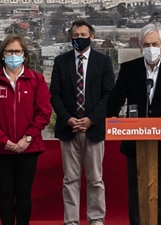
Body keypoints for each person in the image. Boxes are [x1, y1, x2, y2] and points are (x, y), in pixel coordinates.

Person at [106, 21, 161, 225]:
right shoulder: (129, 69)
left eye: (155, 44)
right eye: (146, 45)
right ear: (140, 47)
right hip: (135, 142)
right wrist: (111, 120)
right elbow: (115, 99)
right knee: (137, 192)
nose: (151, 48)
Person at [0, 34, 52, 225]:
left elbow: (43, 112)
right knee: (6, 193)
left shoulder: (36, 79)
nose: (13, 55)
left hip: (29, 147)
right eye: (9, 51)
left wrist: (27, 138)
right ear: (2, 54)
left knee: (24, 193)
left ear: (24, 55)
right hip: (1, 148)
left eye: (17, 51)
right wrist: (5, 141)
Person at [50, 19, 115, 225]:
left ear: (92, 37)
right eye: (76, 36)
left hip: (94, 130)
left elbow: (109, 95)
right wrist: (69, 119)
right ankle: (71, 221)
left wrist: (91, 119)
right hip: (68, 130)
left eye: (83, 35)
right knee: (70, 180)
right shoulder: (61, 62)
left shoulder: (103, 62)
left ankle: (96, 219)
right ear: (71, 38)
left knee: (95, 179)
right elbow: (55, 95)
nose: (79, 39)